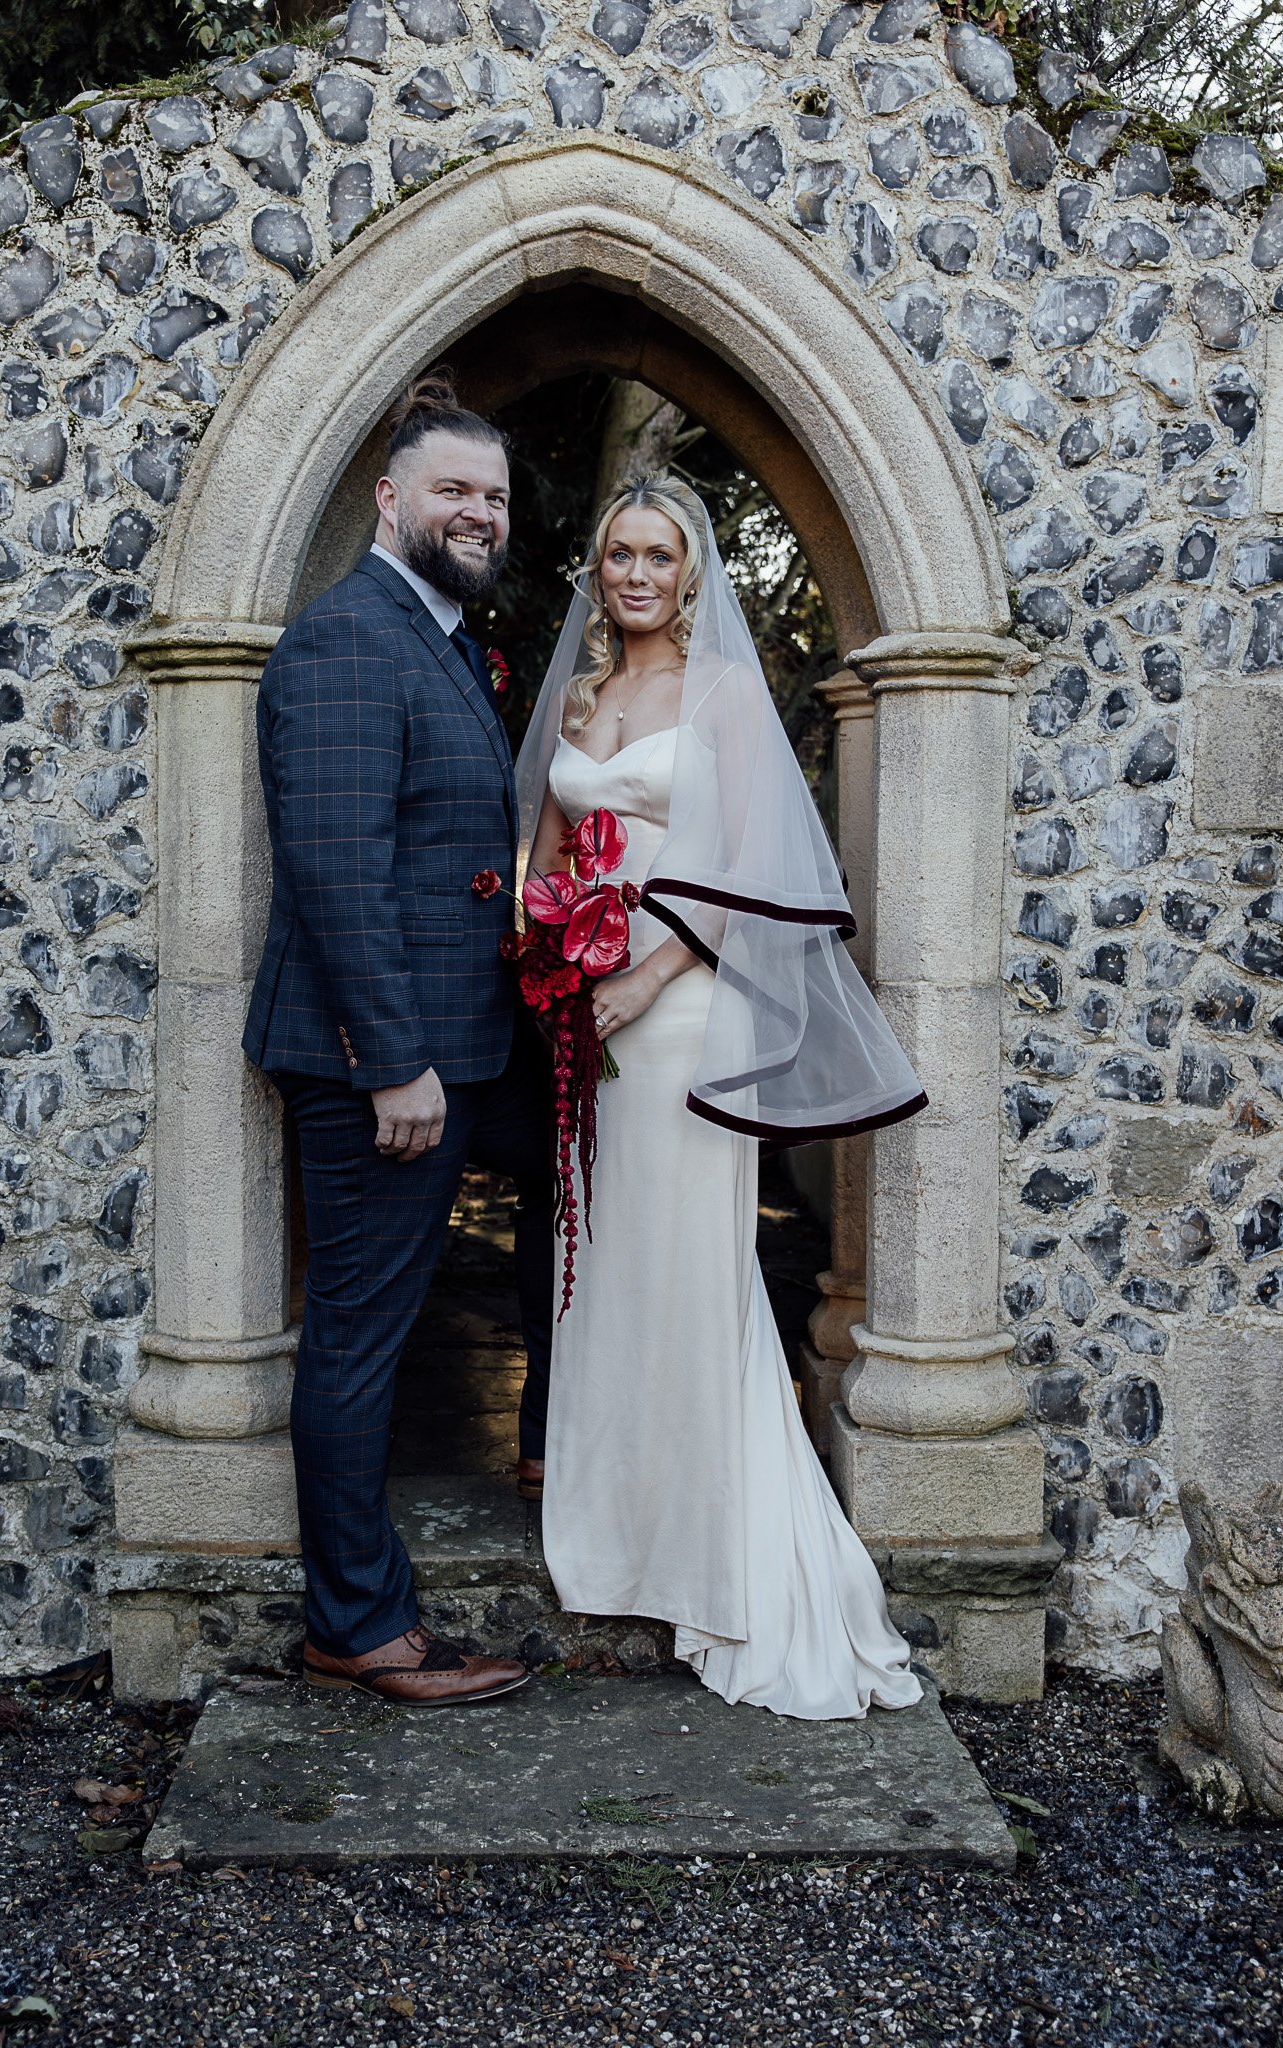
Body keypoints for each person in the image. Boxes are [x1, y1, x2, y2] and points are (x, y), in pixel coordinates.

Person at [515, 474, 928, 1719]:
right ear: (598, 569)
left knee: (691, 1263)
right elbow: (543, 848)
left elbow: (752, 863)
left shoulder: (728, 692)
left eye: (659, 554)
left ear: (692, 573)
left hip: (681, 1003)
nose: (636, 573)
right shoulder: (582, 694)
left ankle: (720, 1551)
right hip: (583, 1015)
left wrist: (641, 973)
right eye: (618, 553)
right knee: (611, 1261)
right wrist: (546, 954)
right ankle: (621, 1524)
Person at [243, 370, 555, 1705]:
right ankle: (358, 1626)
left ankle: (560, 1454)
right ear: (390, 499)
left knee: (586, 1195)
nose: (479, 513)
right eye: (453, 491)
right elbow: (335, 871)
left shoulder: (434, 638)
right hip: (386, 1065)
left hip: (465, 1045)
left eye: (493, 495)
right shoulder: (346, 642)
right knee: (359, 1340)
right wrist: (394, 1064)